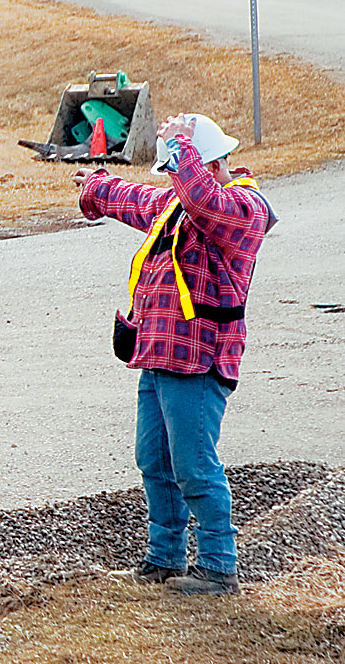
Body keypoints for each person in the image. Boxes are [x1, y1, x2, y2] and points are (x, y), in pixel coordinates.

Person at [73, 113, 275, 595]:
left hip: (199, 361)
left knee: (194, 466)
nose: (171, 179)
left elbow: (203, 201)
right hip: (160, 355)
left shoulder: (242, 209)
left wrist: (179, 145)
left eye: (177, 167)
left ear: (209, 164)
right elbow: (138, 199)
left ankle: (218, 567)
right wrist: (96, 186)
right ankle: (164, 559)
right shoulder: (180, 203)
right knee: (155, 461)